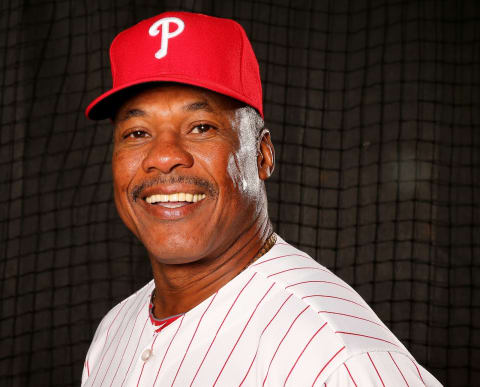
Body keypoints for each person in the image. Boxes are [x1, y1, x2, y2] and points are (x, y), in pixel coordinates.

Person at [81, 11, 442, 386]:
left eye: (201, 127)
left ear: (262, 154)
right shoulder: (114, 330)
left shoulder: (336, 355)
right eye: (137, 132)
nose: (164, 156)